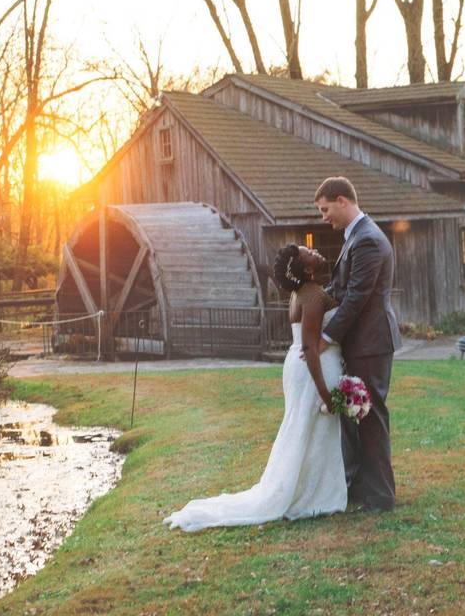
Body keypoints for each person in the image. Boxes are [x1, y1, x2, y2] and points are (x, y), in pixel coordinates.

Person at [163, 245, 346, 531]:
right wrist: (325, 394)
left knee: (306, 432)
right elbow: (310, 348)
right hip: (312, 371)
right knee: (310, 430)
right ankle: (310, 498)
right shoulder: (311, 295)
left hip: (303, 368)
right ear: (306, 268)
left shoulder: (304, 292)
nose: (315, 250)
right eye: (307, 251)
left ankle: (316, 493)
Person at [314, 176, 402, 512]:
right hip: (362, 343)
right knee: (357, 415)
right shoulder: (357, 237)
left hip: (371, 342)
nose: (324, 217)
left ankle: (380, 496)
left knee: (371, 415)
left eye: (325, 209)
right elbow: (339, 290)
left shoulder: (367, 240)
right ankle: (361, 487)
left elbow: (356, 298)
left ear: (342, 200)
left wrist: (325, 337)